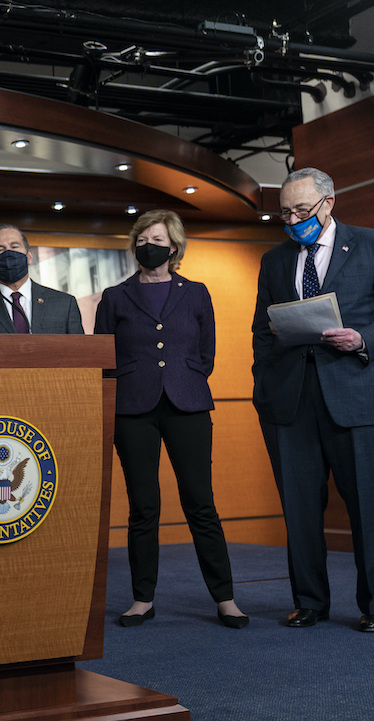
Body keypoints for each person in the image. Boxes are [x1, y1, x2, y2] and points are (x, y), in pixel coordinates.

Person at [252, 167, 374, 633]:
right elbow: (262, 330)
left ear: (329, 203)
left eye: (302, 209)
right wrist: (263, 382)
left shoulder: (372, 244)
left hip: (357, 397)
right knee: (300, 509)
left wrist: (362, 339)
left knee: (367, 506)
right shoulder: (275, 260)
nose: (294, 219)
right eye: (285, 212)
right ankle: (309, 602)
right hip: (291, 402)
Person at [94, 209, 247, 629]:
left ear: (173, 247)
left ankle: (225, 598)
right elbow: (104, 358)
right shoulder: (114, 296)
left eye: (157, 238)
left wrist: (186, 378)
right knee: (144, 507)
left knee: (201, 503)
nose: (148, 244)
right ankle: (142, 599)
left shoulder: (196, 293)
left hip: (188, 406)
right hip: (132, 410)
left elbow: (206, 353)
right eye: (142, 238)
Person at [0, 224, 83, 334]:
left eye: (15, 246)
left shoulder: (65, 304)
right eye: (0, 249)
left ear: (29, 256)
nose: (8, 254)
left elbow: (81, 354)